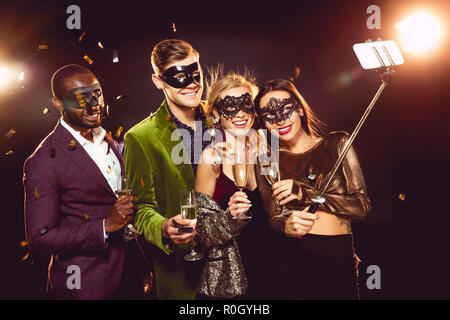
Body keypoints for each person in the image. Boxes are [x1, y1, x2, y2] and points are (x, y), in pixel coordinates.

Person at [23, 64, 136, 299]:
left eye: (97, 93)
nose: (94, 104)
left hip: (129, 276)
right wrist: (104, 226)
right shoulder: (44, 160)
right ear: (58, 104)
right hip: (84, 287)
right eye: (80, 98)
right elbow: (39, 239)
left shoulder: (107, 137)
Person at [254, 79, 371, 299]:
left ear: (299, 108)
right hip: (292, 261)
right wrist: (285, 224)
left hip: (338, 258)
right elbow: (274, 217)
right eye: (269, 116)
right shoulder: (267, 160)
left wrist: (306, 193)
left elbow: (361, 207)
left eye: (285, 109)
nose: (279, 120)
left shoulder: (337, 143)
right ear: (263, 122)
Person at [123, 39, 209, 300]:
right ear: (158, 81)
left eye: (195, 74)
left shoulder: (224, 119)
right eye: (179, 77)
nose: (192, 83)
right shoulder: (140, 137)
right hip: (184, 272)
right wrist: (162, 227)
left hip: (237, 260)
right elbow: (139, 208)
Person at [194, 67, 276, 299]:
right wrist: (229, 218)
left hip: (273, 262)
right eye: (230, 106)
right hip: (232, 272)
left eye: (245, 104)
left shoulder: (265, 148)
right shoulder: (211, 158)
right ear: (217, 113)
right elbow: (200, 231)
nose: (240, 114)